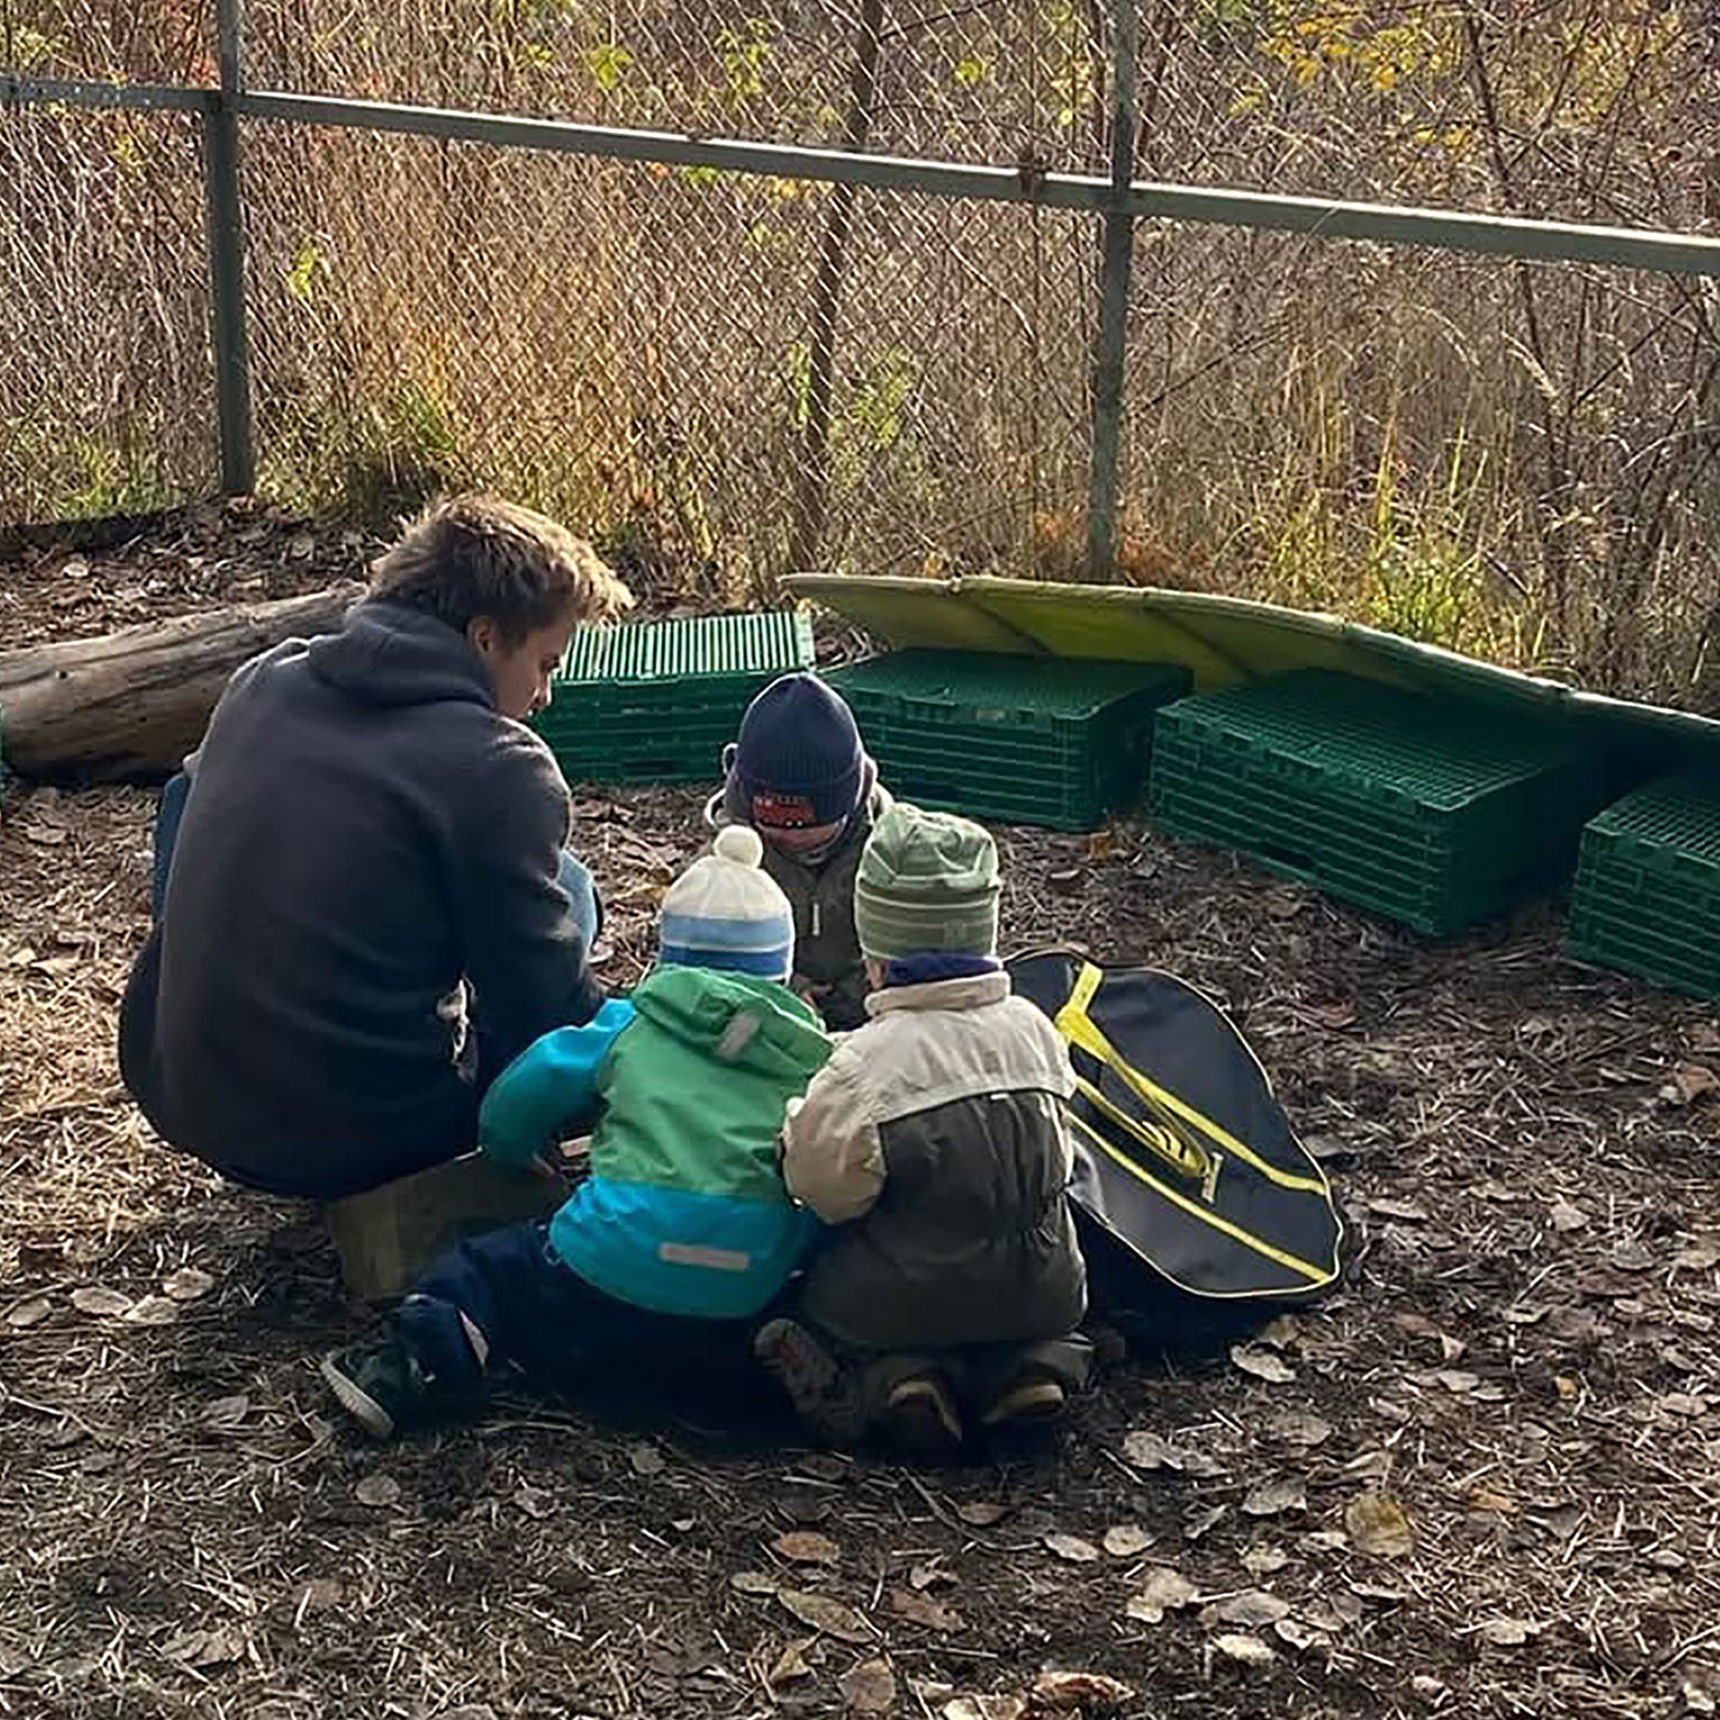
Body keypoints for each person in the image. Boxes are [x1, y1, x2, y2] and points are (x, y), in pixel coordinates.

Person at [119, 495, 631, 1200]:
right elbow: (539, 999)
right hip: (360, 1142)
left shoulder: (263, 681)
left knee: (193, 791)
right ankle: (513, 1148)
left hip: (184, 1099)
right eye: (546, 662)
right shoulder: (498, 766)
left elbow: (184, 819)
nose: (546, 694)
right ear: (484, 639)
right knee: (568, 886)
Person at [320, 825, 833, 1439]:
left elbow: (528, 1086)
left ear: (668, 955)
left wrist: (509, 1148)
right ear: (782, 966)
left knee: (492, 1270)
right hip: (746, 1273)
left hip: (610, 1255)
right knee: (760, 1308)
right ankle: (754, 1394)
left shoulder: (631, 1025)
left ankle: (419, 1366)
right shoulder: (813, 1056)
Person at [754, 803, 1092, 1457]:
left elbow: (822, 1188)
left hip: (902, 1296)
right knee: (1027, 1319)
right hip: (1039, 1283)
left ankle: (894, 1385)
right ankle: (1039, 1368)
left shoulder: (868, 1063)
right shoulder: (1036, 1030)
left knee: (824, 1305)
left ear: (874, 950)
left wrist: (793, 1132)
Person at [706, 673, 891, 1032]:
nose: (790, 840)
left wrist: (855, 995)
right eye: (772, 828)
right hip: (767, 1013)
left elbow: (912, 948)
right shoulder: (727, 857)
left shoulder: (890, 852)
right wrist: (784, 985)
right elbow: (709, 951)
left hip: (872, 1013)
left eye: (807, 830)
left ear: (847, 805)